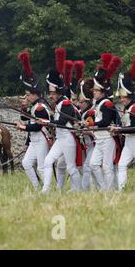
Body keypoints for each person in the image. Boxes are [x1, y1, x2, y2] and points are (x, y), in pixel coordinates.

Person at [41, 47, 81, 193]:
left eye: (52, 93)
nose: (50, 96)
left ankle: (77, 189)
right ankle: (46, 189)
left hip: (68, 138)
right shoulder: (58, 104)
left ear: (58, 91)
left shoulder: (65, 104)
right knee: (48, 161)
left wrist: (45, 122)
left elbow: (62, 123)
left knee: (70, 167)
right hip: (60, 138)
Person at [15, 51, 51, 189]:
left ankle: (46, 190)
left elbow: (37, 126)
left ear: (34, 94)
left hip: (41, 139)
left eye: (28, 95)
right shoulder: (35, 106)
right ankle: (37, 187)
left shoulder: (40, 107)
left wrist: (23, 127)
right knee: (26, 163)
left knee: (42, 168)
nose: (27, 97)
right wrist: (24, 107)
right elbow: (25, 118)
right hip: (34, 140)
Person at [86, 53, 121, 191]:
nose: (93, 92)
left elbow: (106, 122)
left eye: (95, 90)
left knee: (107, 167)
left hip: (107, 138)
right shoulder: (98, 103)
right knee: (93, 164)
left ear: (101, 91)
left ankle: (111, 191)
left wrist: (92, 125)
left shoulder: (107, 104)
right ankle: (103, 189)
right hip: (99, 139)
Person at [111, 57, 135, 191]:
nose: (122, 99)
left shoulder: (134, 108)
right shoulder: (128, 108)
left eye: (124, 97)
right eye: (121, 97)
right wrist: (118, 130)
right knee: (121, 165)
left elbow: (132, 128)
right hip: (129, 143)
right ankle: (121, 191)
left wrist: (119, 129)